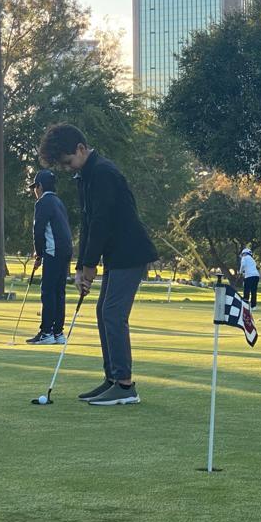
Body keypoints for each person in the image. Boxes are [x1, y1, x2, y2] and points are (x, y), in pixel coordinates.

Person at [38, 123, 158, 406]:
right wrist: (81, 266)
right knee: (103, 311)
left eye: (68, 162)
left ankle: (125, 385)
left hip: (131, 252)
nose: (67, 168)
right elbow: (88, 223)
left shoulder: (103, 172)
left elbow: (102, 222)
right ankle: (113, 379)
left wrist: (90, 265)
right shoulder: (86, 175)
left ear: (81, 149)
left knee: (113, 313)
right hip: (117, 254)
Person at [26, 169, 73, 345]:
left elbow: (38, 230)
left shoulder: (43, 202)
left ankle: (46, 332)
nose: (34, 191)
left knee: (48, 292)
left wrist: (38, 253)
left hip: (53, 251)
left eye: (34, 187)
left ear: (40, 186)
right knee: (59, 292)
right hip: (65, 250)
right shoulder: (59, 202)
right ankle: (58, 332)